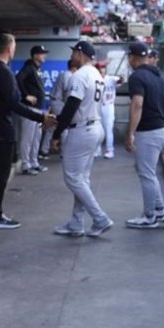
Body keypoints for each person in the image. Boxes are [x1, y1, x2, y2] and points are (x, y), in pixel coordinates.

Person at [0, 32, 56, 229]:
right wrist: (41, 117)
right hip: (2, 131)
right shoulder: (4, 72)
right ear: (10, 49)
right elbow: (15, 104)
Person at [49, 41, 114, 237]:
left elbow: (71, 107)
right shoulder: (95, 73)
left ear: (80, 53)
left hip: (81, 129)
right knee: (81, 179)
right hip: (95, 126)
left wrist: (56, 133)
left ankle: (100, 218)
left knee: (74, 179)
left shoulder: (80, 75)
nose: (73, 55)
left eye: (75, 52)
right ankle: (76, 223)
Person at [124, 42, 164, 229]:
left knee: (146, 173)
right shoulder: (160, 74)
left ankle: (150, 216)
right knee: (147, 171)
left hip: (148, 131)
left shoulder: (137, 77)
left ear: (132, 58)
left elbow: (137, 105)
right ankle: (160, 209)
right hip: (162, 128)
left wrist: (130, 133)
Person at [16, 45, 49, 175]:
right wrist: (25, 95)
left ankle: (34, 162)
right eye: (42, 53)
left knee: (36, 138)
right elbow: (18, 79)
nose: (44, 55)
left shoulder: (37, 68)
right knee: (28, 138)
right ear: (35, 55)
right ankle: (25, 165)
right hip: (30, 109)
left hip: (39, 109)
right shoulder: (29, 67)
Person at [41, 59, 77, 157]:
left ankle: (44, 150)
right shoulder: (68, 75)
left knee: (52, 127)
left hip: (56, 102)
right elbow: (67, 92)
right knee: (64, 127)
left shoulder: (65, 74)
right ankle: (64, 152)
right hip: (59, 103)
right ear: (74, 67)